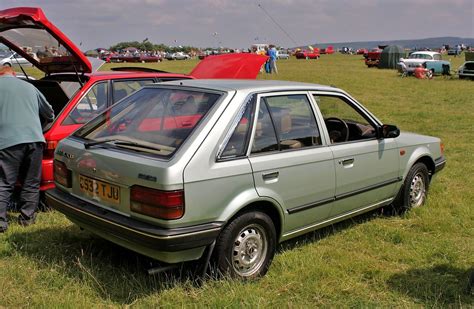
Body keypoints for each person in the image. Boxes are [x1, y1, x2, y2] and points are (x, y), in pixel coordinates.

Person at [0, 66, 54, 233]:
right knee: (31, 182)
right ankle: (27, 219)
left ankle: (1, 223)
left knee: (4, 183)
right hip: (34, 140)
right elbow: (50, 113)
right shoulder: (30, 87)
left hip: (7, 142)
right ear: (14, 75)